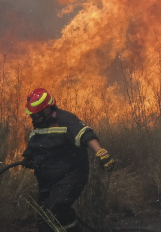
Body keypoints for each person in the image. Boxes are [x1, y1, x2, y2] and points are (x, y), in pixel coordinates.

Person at [21, 88, 116, 230]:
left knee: (56, 208)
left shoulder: (66, 120)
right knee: (43, 219)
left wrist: (101, 153)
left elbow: (85, 134)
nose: (33, 119)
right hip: (48, 181)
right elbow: (35, 145)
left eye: (36, 115)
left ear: (47, 110)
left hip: (71, 176)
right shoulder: (38, 126)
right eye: (32, 116)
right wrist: (28, 158)